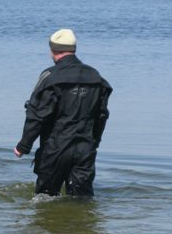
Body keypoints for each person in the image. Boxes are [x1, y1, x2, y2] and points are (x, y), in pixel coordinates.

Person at [14, 29, 112, 196]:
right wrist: (94, 142)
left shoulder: (50, 77)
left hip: (55, 147)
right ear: (74, 49)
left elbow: (38, 115)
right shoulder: (96, 77)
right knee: (82, 199)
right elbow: (102, 115)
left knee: (45, 197)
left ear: (53, 50)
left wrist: (24, 145)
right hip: (85, 147)